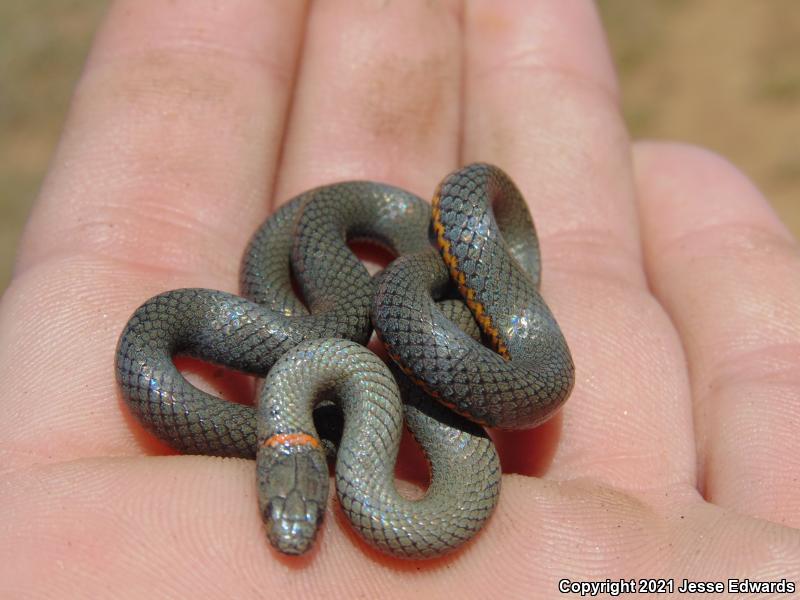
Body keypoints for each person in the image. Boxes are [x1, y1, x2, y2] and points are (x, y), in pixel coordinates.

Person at [1, 1, 798, 597]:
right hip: (349, 333)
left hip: (398, 310)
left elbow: (375, 336)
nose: (299, 531)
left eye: (303, 513)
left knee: (353, 302)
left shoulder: (401, 306)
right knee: (318, 299)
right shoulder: (279, 357)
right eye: (305, 516)